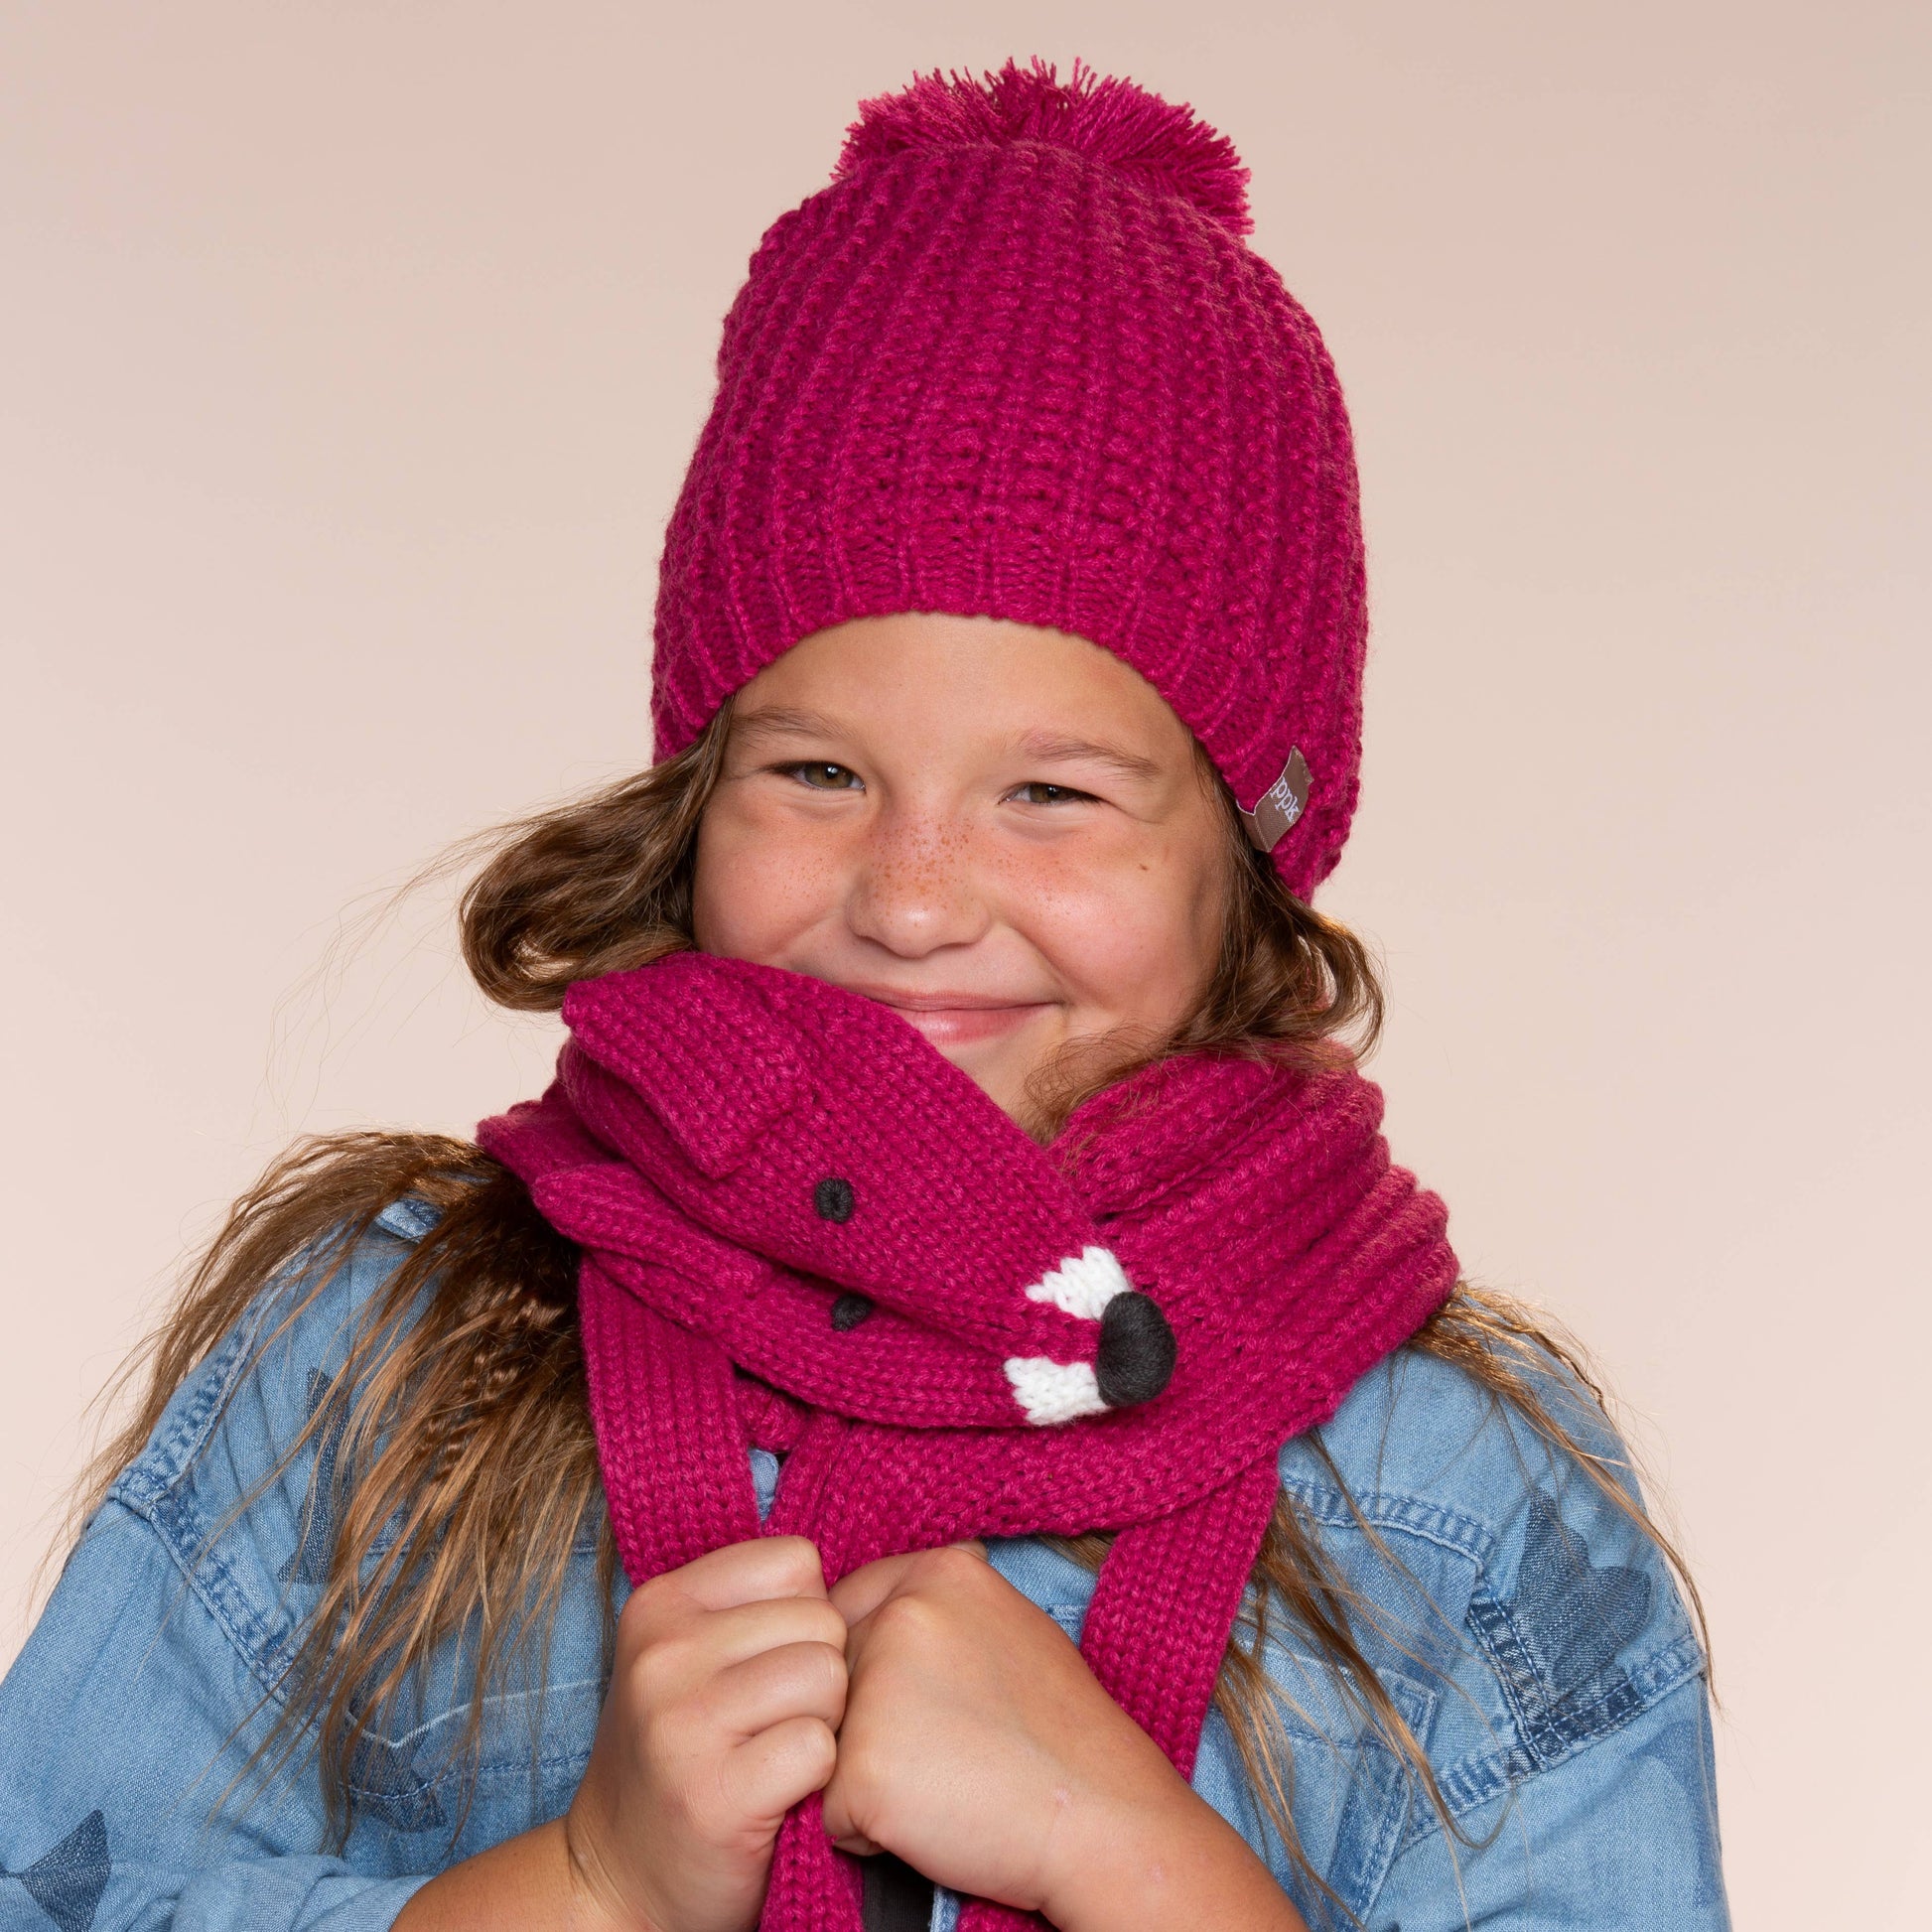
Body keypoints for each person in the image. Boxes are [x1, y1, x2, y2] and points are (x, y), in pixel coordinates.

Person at [0, 56, 1728, 1932]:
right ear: (691, 789)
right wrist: (590, 1885)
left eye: (1051, 794)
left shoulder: (1461, 1491)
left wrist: (1129, 1863)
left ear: (1255, 849)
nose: (909, 902)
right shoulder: (387, 1349)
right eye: (816, 773)